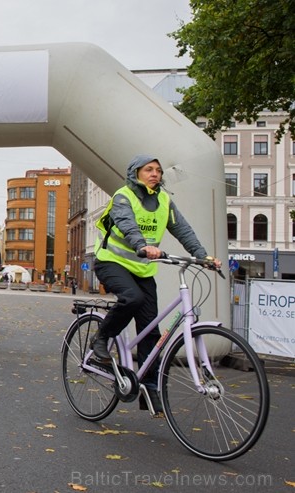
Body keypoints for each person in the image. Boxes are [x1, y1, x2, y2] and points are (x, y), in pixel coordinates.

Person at [92, 154, 222, 414]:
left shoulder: (164, 201)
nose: (155, 174)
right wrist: (142, 245)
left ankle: (149, 389)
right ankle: (102, 337)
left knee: (152, 329)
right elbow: (127, 224)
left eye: (158, 171)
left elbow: (183, 229)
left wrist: (202, 256)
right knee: (133, 298)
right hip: (111, 261)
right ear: (135, 173)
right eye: (148, 169)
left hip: (142, 268)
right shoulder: (123, 196)